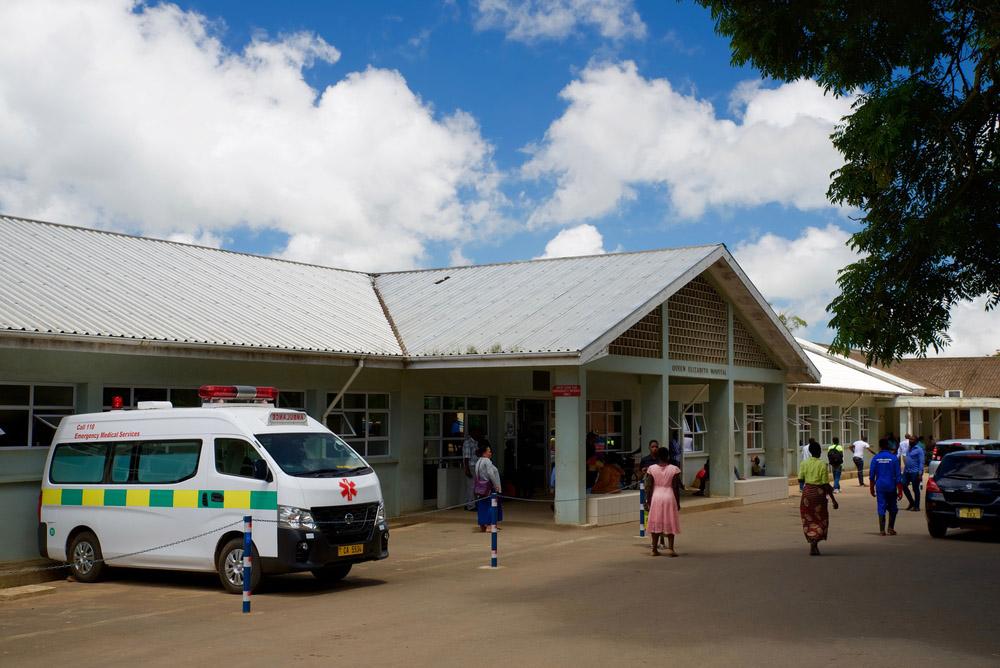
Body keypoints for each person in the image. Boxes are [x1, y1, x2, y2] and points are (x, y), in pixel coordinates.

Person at [798, 441, 839, 555]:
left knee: (808, 519)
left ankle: (812, 542)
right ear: (820, 452)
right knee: (821, 518)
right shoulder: (822, 464)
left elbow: (800, 479)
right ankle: (815, 542)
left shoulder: (804, 463)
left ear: (810, 452)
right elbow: (825, 484)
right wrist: (834, 500)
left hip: (807, 494)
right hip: (818, 494)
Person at [643, 447, 682, 557]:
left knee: (655, 522)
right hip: (669, 496)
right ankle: (670, 549)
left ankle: (654, 549)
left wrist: (648, 500)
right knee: (670, 521)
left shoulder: (651, 468)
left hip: (656, 496)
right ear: (668, 456)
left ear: (657, 457)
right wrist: (678, 503)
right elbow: (675, 487)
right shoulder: (674, 469)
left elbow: (649, 486)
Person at [869, 438, 904, 536]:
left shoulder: (876, 458)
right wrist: (900, 491)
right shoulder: (893, 458)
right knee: (893, 507)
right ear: (888, 446)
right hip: (891, 486)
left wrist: (871, 488)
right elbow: (898, 476)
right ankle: (891, 528)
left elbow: (872, 476)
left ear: (880, 446)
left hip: (880, 486)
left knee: (881, 506)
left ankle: (881, 530)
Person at [474, 443, 503, 532]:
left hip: (481, 488)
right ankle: (490, 525)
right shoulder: (487, 461)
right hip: (489, 487)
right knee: (492, 506)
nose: (490, 453)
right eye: (489, 451)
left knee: (483, 506)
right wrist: (496, 485)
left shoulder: (478, 461)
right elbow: (490, 473)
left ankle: (483, 525)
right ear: (484, 453)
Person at [902, 436, 925, 511]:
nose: (910, 441)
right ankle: (911, 502)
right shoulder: (909, 448)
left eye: (912, 439)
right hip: (907, 471)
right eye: (910, 439)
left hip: (915, 472)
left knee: (915, 489)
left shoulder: (919, 450)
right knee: (903, 485)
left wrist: (920, 473)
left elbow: (921, 462)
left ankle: (917, 506)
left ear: (916, 441)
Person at [462, 428, 480, 511]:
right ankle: (471, 506)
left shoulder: (476, 442)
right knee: (471, 487)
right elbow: (466, 457)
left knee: (473, 486)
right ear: (472, 433)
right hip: (471, 466)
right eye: (477, 432)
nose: (478, 434)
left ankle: (468, 503)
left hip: (476, 466)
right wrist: (467, 469)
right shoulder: (468, 442)